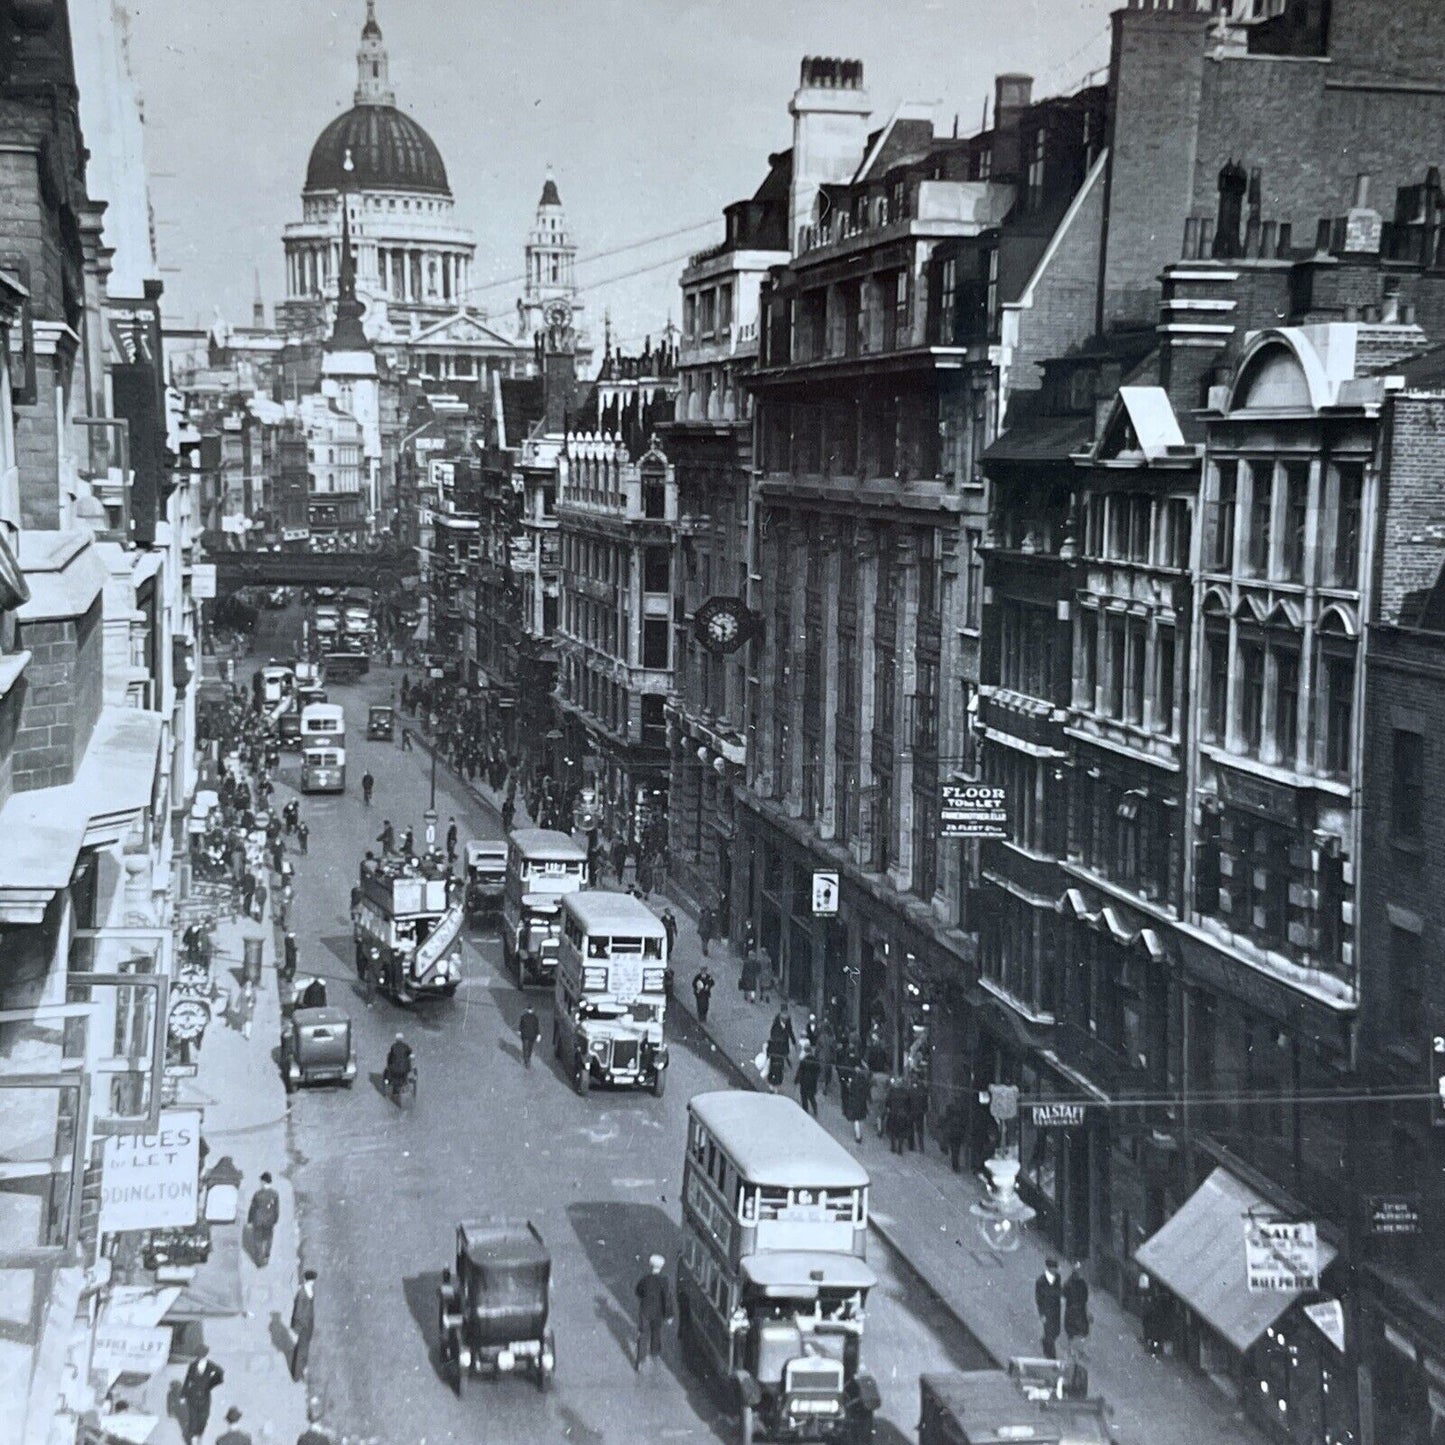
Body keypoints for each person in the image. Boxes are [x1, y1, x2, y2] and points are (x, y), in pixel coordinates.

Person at [179, 1344, 224, 1445]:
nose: (200, 1356)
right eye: (199, 1355)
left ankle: (199, 1437)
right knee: (193, 1418)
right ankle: (193, 1440)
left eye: (202, 1354)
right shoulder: (193, 1365)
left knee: (203, 1418)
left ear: (205, 1355)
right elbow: (187, 1380)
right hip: (192, 1396)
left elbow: (220, 1375)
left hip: (205, 1396)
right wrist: (183, 1395)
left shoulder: (211, 1366)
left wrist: (211, 1384)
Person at [634, 1254, 673, 1370]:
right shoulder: (664, 1281)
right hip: (658, 1311)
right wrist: (669, 1315)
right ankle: (654, 1351)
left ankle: (640, 1360)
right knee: (656, 1331)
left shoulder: (645, 1279)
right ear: (661, 1267)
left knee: (643, 1333)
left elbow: (638, 1291)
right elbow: (667, 1298)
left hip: (645, 1310)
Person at [247, 1171, 280, 1266]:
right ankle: (266, 1256)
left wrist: (249, 1220)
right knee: (268, 1238)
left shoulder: (257, 1194)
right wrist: (275, 1219)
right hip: (269, 1221)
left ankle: (259, 1260)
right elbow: (276, 1209)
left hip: (257, 1220)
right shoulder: (275, 1194)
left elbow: (252, 1208)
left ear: (264, 1182)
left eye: (261, 1181)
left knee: (258, 1239)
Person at [290, 1269, 317, 1381]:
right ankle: (297, 1375)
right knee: (302, 1349)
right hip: (303, 1325)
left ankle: (299, 1371)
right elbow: (298, 1312)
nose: (312, 1282)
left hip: (308, 1323)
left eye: (313, 1281)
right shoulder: (302, 1293)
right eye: (310, 1280)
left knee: (303, 1348)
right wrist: (297, 1329)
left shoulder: (309, 1289)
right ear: (306, 1280)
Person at [1035, 1258, 1064, 1359]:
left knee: (1056, 1331)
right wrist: (1042, 1314)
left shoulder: (1057, 1278)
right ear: (1049, 1269)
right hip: (1047, 1311)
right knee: (1050, 1334)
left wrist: (1060, 1295)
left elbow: (1058, 1289)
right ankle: (1051, 1357)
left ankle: (1045, 1342)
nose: (1056, 1271)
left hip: (1056, 1310)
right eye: (1054, 1268)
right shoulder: (1041, 1281)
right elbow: (1039, 1299)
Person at [1063, 1261, 1091, 1360]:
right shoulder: (1069, 1283)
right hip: (1072, 1310)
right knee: (1072, 1331)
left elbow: (1085, 1298)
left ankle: (1080, 1350)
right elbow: (1065, 1293)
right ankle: (1071, 1349)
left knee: (1083, 1331)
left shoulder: (1082, 1284)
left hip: (1080, 1310)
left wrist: (1087, 1312)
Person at [842, 1060, 872, 1144]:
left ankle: (858, 1136)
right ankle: (859, 1134)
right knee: (860, 1119)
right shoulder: (865, 1081)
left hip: (854, 1101)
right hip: (862, 1102)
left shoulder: (853, 1081)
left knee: (856, 1120)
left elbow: (849, 1090)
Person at [938, 1094, 968, 1173]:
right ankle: (956, 1165)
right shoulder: (962, 1110)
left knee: (954, 1149)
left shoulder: (949, 1108)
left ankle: (955, 1165)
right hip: (958, 1132)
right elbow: (964, 1121)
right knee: (956, 1150)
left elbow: (945, 1119)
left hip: (952, 1131)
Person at [884, 1076, 912, 1154]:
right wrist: (907, 1112)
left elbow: (887, 1102)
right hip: (902, 1114)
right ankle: (900, 1148)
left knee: (892, 1130)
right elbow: (909, 1104)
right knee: (901, 1131)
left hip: (893, 1113)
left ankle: (893, 1146)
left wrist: (889, 1108)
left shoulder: (892, 1091)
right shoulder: (906, 1092)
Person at [795, 1044, 820, 1116]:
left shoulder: (804, 1061)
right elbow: (818, 1070)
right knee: (811, 1097)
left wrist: (796, 1080)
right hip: (812, 1082)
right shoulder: (815, 1060)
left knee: (804, 1097)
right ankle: (815, 1109)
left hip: (804, 1081)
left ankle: (805, 1111)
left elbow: (800, 1071)